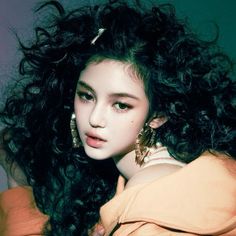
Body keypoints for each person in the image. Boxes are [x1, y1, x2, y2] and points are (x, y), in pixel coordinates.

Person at [0, 0, 235, 235]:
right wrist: (19, 187)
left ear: (158, 115)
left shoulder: (149, 221)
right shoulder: (169, 179)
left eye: (121, 105)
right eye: (86, 96)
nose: (95, 118)